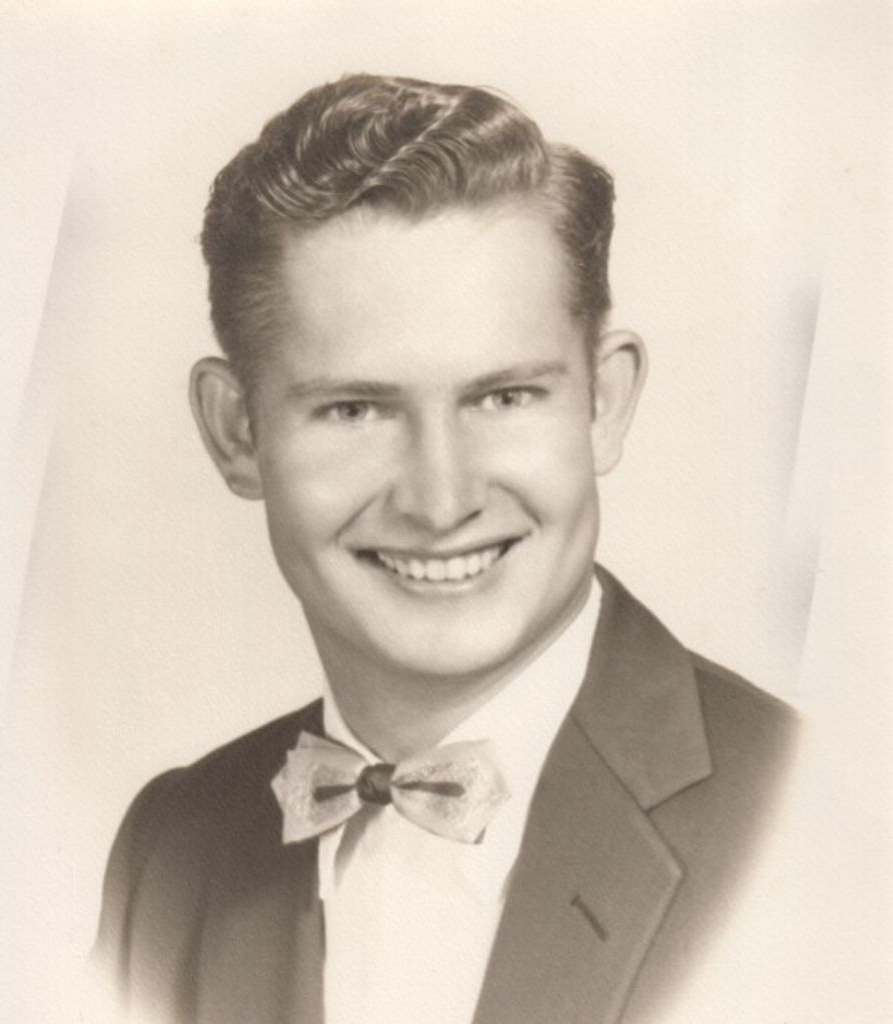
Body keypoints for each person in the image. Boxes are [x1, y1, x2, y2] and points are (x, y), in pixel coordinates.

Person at [93, 74, 797, 1024]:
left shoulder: (817, 815)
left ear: (604, 402)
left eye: (503, 397)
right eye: (355, 410)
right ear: (236, 432)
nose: (440, 502)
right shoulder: (170, 855)